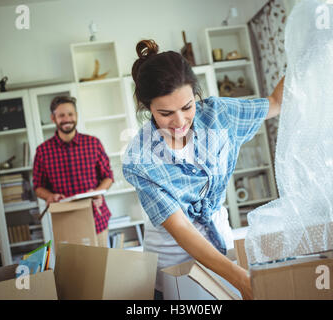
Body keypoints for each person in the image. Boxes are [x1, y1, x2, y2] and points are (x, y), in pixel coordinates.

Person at [122, 40, 284, 300]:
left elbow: (276, 102)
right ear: (147, 107)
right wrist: (241, 278)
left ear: (196, 95)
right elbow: (182, 229)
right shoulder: (140, 158)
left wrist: (305, 55)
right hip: (173, 266)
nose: (179, 122)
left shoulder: (219, 115)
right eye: (165, 113)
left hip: (222, 248)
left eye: (187, 107)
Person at [33, 96, 114, 247]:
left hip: (96, 217)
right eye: (61, 115)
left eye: (70, 114)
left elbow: (108, 177)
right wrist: (50, 196)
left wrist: (97, 191)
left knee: (101, 267)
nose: (67, 119)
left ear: (76, 115)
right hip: (64, 222)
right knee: (76, 269)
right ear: (53, 118)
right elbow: (38, 187)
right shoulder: (43, 151)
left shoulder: (93, 143)